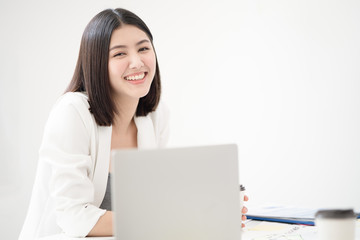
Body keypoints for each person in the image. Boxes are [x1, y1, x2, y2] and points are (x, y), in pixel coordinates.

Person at [19, 8, 248, 239]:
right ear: (98, 63)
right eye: (119, 54)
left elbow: (154, 203)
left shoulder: (156, 116)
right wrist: (171, 216)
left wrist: (209, 208)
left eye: (143, 48)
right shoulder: (72, 112)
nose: (137, 62)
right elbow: (74, 217)